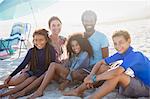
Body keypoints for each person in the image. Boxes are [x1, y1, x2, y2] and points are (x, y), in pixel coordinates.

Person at [63, 30, 150, 99]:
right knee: (104, 68)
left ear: (129, 41)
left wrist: (94, 78)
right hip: (137, 82)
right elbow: (100, 62)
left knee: (117, 74)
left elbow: (116, 72)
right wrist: (91, 75)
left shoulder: (135, 55)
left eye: (121, 42)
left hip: (147, 87)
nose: (118, 46)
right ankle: (78, 91)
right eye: (115, 43)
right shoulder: (121, 53)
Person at [25, 33, 93, 98]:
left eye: (77, 45)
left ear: (81, 44)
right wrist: (64, 63)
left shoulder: (84, 54)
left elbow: (74, 70)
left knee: (53, 65)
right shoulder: (74, 55)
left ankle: (39, 91)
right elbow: (68, 66)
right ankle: (27, 90)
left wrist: (66, 81)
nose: (75, 47)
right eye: (73, 45)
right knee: (47, 73)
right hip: (69, 77)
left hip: (76, 77)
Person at [0, 29, 56, 97]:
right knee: (19, 79)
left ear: (46, 40)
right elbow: (22, 65)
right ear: (33, 40)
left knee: (29, 81)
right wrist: (10, 76)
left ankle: (7, 94)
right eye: (35, 40)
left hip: (43, 74)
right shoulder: (31, 51)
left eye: (41, 40)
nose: (38, 42)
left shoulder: (51, 49)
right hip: (32, 71)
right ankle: (5, 86)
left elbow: (51, 66)